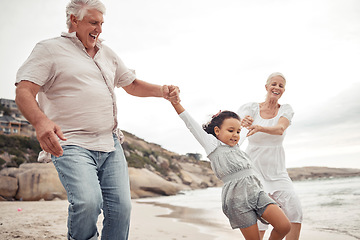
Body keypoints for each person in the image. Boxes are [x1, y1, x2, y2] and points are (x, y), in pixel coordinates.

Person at [14, 0, 179, 239]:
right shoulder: (49, 49)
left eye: (101, 23)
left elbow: (131, 84)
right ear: (74, 20)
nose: (99, 29)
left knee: (121, 209)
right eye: (93, 22)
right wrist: (41, 122)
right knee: (88, 203)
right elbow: (24, 91)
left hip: (110, 144)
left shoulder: (107, 53)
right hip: (71, 143)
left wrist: (162, 91)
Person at [169, 88, 291, 240]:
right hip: (236, 198)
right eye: (231, 130)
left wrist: (248, 123)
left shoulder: (236, 146)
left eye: (238, 131)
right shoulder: (212, 145)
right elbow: (190, 124)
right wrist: (176, 103)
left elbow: (246, 131)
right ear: (217, 131)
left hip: (257, 192)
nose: (236, 135)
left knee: (284, 226)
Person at [238, 72, 303, 240]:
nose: (277, 88)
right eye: (274, 84)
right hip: (254, 171)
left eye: (281, 86)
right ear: (266, 87)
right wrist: (241, 122)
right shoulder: (251, 108)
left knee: (295, 211)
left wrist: (259, 127)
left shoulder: (286, 110)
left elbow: (280, 129)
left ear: (283, 90)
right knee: (261, 219)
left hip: (277, 171)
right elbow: (235, 125)